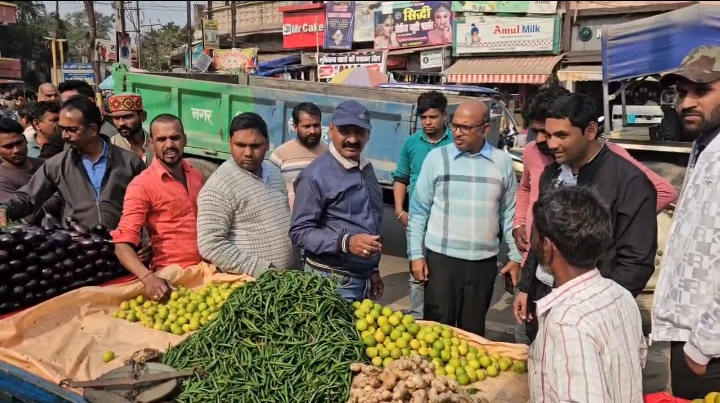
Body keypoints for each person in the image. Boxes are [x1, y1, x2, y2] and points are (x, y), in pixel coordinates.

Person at [510, 86, 678, 346]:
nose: (551, 144)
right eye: (548, 134)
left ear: (590, 131)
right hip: (542, 296)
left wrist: (598, 308)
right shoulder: (551, 175)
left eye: (561, 135)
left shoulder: (629, 182)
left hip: (592, 310)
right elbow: (539, 239)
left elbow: (636, 262)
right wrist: (525, 286)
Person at [407, 99, 520, 336]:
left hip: (483, 264)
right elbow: (418, 211)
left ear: (485, 129)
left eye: (466, 127)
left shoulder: (502, 163)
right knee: (437, 334)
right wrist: (416, 255)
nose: (457, 133)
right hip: (441, 262)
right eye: (454, 125)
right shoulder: (437, 159)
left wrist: (515, 256)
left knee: (472, 334)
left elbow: (509, 214)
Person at [527, 186, 646, 403]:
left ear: (547, 246)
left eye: (533, 233)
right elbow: (637, 359)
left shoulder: (567, 323)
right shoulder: (621, 295)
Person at [652, 45, 720, 398]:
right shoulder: (705, 144)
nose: (687, 103)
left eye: (702, 90)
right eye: (682, 92)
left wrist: (704, 344)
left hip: (709, 349)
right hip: (692, 336)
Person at [0, 96, 146, 230]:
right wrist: (6, 209)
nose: (64, 135)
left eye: (72, 130)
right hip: (78, 245)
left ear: (93, 129)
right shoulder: (57, 165)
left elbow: (150, 204)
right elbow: (29, 196)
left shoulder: (129, 161)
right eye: (61, 129)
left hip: (125, 243)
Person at [290, 101, 384, 302]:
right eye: (345, 131)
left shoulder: (366, 167)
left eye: (359, 132)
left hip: (361, 278)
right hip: (331, 282)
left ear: (368, 134)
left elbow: (368, 222)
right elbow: (300, 232)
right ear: (331, 130)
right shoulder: (315, 176)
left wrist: (372, 269)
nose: (352, 139)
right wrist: (346, 242)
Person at [112, 114, 204, 301]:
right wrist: (148, 278)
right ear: (152, 144)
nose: (169, 145)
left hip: (205, 271)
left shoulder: (196, 175)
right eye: (162, 139)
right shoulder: (142, 185)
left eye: (175, 138)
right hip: (170, 277)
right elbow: (122, 245)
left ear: (184, 140)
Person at [197, 112, 295, 275]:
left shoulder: (273, 171)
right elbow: (210, 244)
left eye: (255, 146)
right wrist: (262, 269)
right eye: (240, 145)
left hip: (289, 279)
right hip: (255, 283)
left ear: (267, 143)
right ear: (230, 143)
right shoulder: (218, 187)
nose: (248, 152)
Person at [392, 90, 453, 320]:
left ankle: (440, 319)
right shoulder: (411, 143)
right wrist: (400, 211)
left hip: (446, 220)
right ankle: (418, 318)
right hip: (416, 218)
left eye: (433, 117)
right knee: (416, 270)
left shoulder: (454, 143)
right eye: (424, 117)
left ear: (444, 116)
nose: (427, 122)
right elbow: (401, 178)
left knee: (443, 272)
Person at [0, 118, 61, 223]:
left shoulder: (47, 165)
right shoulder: (2, 179)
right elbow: (21, 212)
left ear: (25, 139)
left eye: (19, 143)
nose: (16, 150)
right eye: (8, 146)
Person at [269, 102, 327, 209]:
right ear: (295, 127)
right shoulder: (280, 155)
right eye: (307, 126)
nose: (312, 131)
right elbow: (270, 190)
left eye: (316, 125)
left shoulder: (330, 154)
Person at [107, 93, 151, 164]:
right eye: (116, 118)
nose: (121, 123)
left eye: (127, 117)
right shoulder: (111, 147)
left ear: (142, 116)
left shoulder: (156, 140)